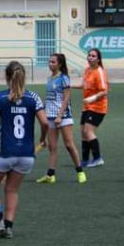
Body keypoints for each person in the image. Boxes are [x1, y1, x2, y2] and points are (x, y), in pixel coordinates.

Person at [0, 61, 48, 239]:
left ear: (6, 77)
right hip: (26, 154)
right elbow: (45, 122)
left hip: (4, 152)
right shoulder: (33, 97)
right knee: (12, 190)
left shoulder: (0, 97)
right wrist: (42, 138)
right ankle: (8, 226)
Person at [36, 53, 86, 184]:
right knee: (52, 147)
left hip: (63, 116)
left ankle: (80, 171)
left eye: (53, 62)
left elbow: (66, 98)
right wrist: (42, 109)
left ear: (60, 64)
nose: (50, 64)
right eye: (49, 61)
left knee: (69, 144)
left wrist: (59, 116)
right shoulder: (50, 78)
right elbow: (50, 98)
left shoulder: (64, 78)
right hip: (50, 116)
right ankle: (50, 175)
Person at [74, 48, 109, 168]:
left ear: (98, 59)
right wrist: (69, 85)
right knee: (83, 133)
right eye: (89, 55)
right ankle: (84, 160)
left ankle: (98, 158)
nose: (90, 57)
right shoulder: (87, 70)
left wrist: (92, 98)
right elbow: (83, 85)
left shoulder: (100, 71)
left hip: (98, 107)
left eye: (93, 56)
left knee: (88, 132)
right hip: (87, 107)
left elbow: (104, 91)